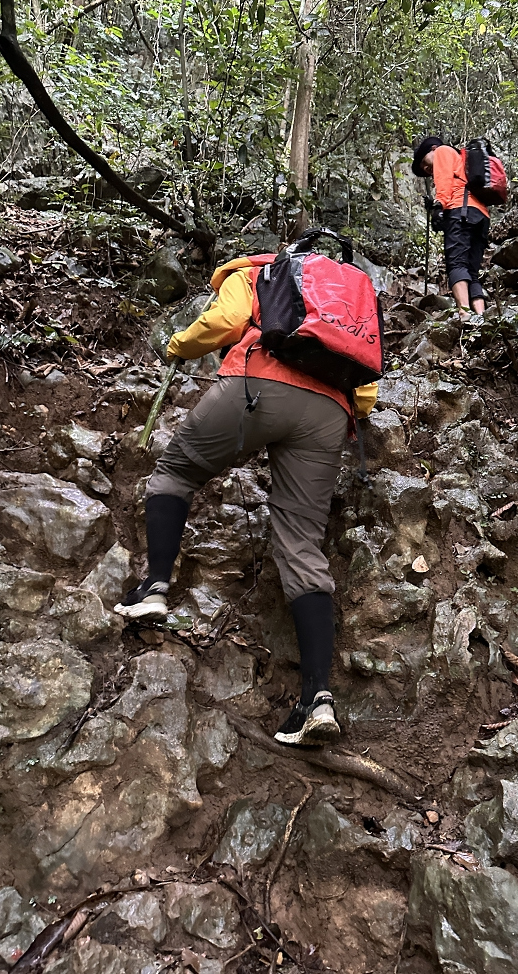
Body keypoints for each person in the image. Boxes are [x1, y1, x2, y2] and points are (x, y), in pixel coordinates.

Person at [114, 254, 378, 747]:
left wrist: (178, 346)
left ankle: (153, 588)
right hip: (329, 413)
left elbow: (224, 321)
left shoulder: (255, 273)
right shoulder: (346, 303)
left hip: (258, 383)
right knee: (301, 542)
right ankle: (316, 700)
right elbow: (366, 393)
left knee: (175, 471)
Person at [412, 136, 490, 316]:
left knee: (456, 263)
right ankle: (480, 316)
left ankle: (465, 314)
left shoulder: (442, 151)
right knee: (472, 270)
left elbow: (444, 182)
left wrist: (439, 205)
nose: (427, 169)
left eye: (425, 163)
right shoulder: (460, 161)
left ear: (432, 149)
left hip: (461, 212)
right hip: (480, 215)